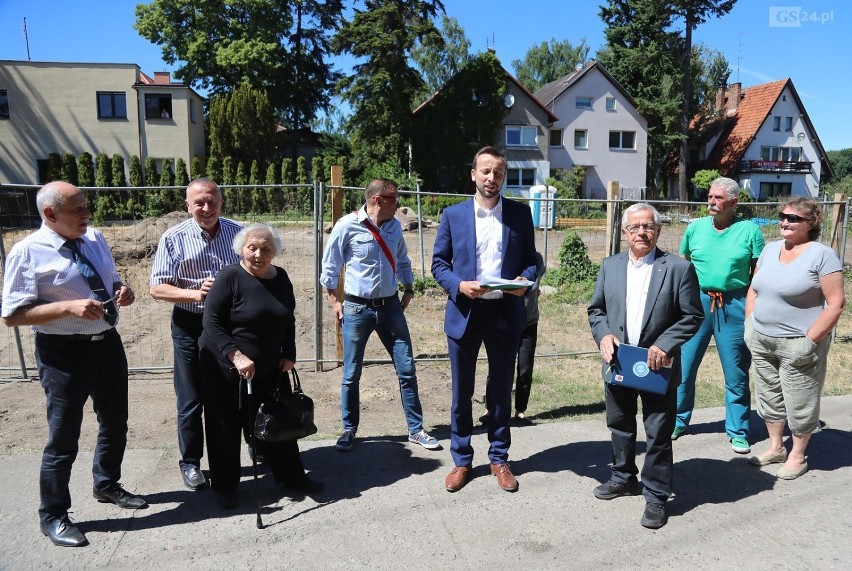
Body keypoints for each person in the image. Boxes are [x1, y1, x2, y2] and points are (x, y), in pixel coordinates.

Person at [1, 181, 146, 547]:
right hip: (63, 354)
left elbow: (110, 279)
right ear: (50, 214)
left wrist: (122, 291)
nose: (87, 214)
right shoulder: (27, 252)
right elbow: (12, 315)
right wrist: (67, 307)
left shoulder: (94, 238)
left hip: (107, 345)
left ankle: (106, 483)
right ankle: (53, 515)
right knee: (63, 438)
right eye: (77, 209)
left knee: (115, 422)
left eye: (85, 206)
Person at [588, 203, 703, 529]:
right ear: (624, 232)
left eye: (648, 227)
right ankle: (623, 476)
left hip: (657, 367)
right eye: (635, 227)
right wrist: (604, 335)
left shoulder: (678, 268)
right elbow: (596, 310)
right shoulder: (610, 266)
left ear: (658, 231)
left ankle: (655, 496)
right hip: (619, 363)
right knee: (620, 425)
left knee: (657, 434)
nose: (642, 232)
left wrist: (665, 344)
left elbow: (692, 315)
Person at [431, 146, 538, 493]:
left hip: (506, 313)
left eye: (499, 173)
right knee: (462, 393)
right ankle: (461, 460)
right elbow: (439, 265)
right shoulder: (453, 215)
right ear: (473, 174)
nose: (492, 178)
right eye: (486, 171)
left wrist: (525, 280)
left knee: (499, 391)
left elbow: (531, 261)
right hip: (466, 312)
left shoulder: (520, 215)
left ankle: (499, 457)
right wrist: (459, 285)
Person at [199, 224, 322, 508]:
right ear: (241, 249)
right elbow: (211, 321)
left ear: (274, 251)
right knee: (224, 426)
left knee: (279, 421)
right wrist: (236, 355)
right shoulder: (230, 276)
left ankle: (291, 476)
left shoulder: (281, 278)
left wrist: (289, 352)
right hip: (226, 368)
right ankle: (226, 486)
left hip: (269, 366)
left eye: (265, 248)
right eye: (252, 247)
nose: (258, 253)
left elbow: (288, 318)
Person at [319, 178, 439, 452]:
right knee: (351, 374)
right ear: (378, 200)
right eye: (394, 199)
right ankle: (349, 430)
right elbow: (330, 265)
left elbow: (403, 260)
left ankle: (416, 430)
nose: (398, 204)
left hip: (390, 307)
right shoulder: (346, 225)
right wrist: (334, 301)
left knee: (407, 369)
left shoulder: (395, 226)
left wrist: (408, 287)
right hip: (357, 308)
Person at [149, 178, 242, 490]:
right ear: (187, 205)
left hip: (229, 326)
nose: (206, 208)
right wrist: (195, 294)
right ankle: (191, 462)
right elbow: (157, 288)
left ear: (221, 202)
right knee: (191, 398)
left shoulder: (237, 232)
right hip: (190, 325)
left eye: (212, 201)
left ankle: (251, 449)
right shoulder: (173, 238)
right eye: (199, 202)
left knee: (235, 392)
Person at [744, 197, 844, 480]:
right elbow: (755, 288)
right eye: (782, 216)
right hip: (762, 338)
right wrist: (750, 324)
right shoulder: (771, 248)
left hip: (798, 342)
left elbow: (836, 303)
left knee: (800, 400)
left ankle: (797, 455)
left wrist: (810, 339)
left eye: (793, 218)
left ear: (810, 223)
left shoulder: (822, 255)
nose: (785, 222)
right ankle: (776, 447)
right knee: (769, 396)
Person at [673, 177, 765, 453]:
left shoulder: (749, 230)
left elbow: (758, 270)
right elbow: (683, 264)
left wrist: (752, 306)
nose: (711, 202)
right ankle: (677, 420)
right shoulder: (696, 228)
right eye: (710, 196)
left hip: (735, 303)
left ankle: (738, 430)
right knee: (683, 367)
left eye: (718, 198)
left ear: (734, 202)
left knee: (735, 370)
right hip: (696, 303)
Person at [479, 250, 546, 426]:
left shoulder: (538, 260)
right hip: (507, 322)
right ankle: (490, 408)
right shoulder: (506, 258)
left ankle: (520, 411)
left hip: (530, 322)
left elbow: (536, 285)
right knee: (498, 365)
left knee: (525, 368)